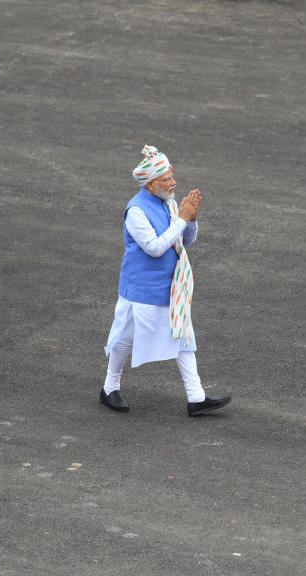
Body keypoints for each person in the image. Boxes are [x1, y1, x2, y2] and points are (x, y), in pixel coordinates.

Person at [101, 144, 231, 416]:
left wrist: (191, 221)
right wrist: (182, 220)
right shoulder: (136, 211)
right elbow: (156, 247)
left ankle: (196, 397)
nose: (173, 183)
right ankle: (109, 387)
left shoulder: (170, 203)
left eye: (172, 176)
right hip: (141, 290)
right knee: (125, 338)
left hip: (170, 287)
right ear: (150, 184)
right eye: (167, 179)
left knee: (183, 335)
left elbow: (184, 241)